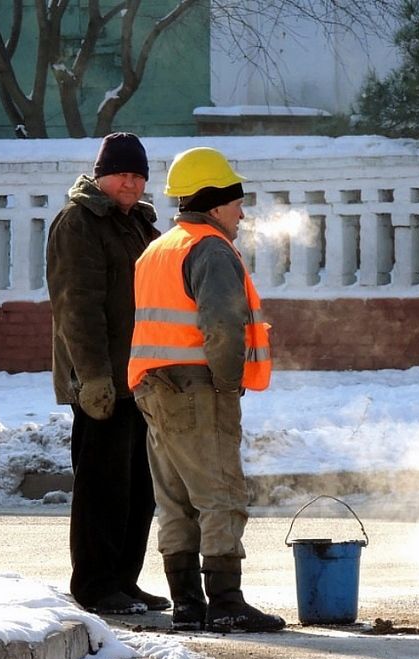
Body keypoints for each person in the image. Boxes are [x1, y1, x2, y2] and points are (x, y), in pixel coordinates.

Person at [128, 147, 284, 633]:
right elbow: (221, 324)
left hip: (154, 387)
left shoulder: (160, 246)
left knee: (175, 498)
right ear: (216, 204)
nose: (242, 213)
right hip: (197, 386)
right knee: (220, 493)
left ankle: (188, 603)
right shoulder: (212, 249)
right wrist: (226, 381)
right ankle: (227, 601)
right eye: (237, 202)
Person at [46, 132, 169, 616]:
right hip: (103, 384)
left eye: (138, 175)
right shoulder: (79, 223)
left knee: (140, 487)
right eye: (123, 174)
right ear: (101, 175)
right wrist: (93, 377)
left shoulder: (137, 225)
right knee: (103, 487)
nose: (132, 183)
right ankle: (95, 585)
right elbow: (77, 307)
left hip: (139, 378)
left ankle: (124, 580)